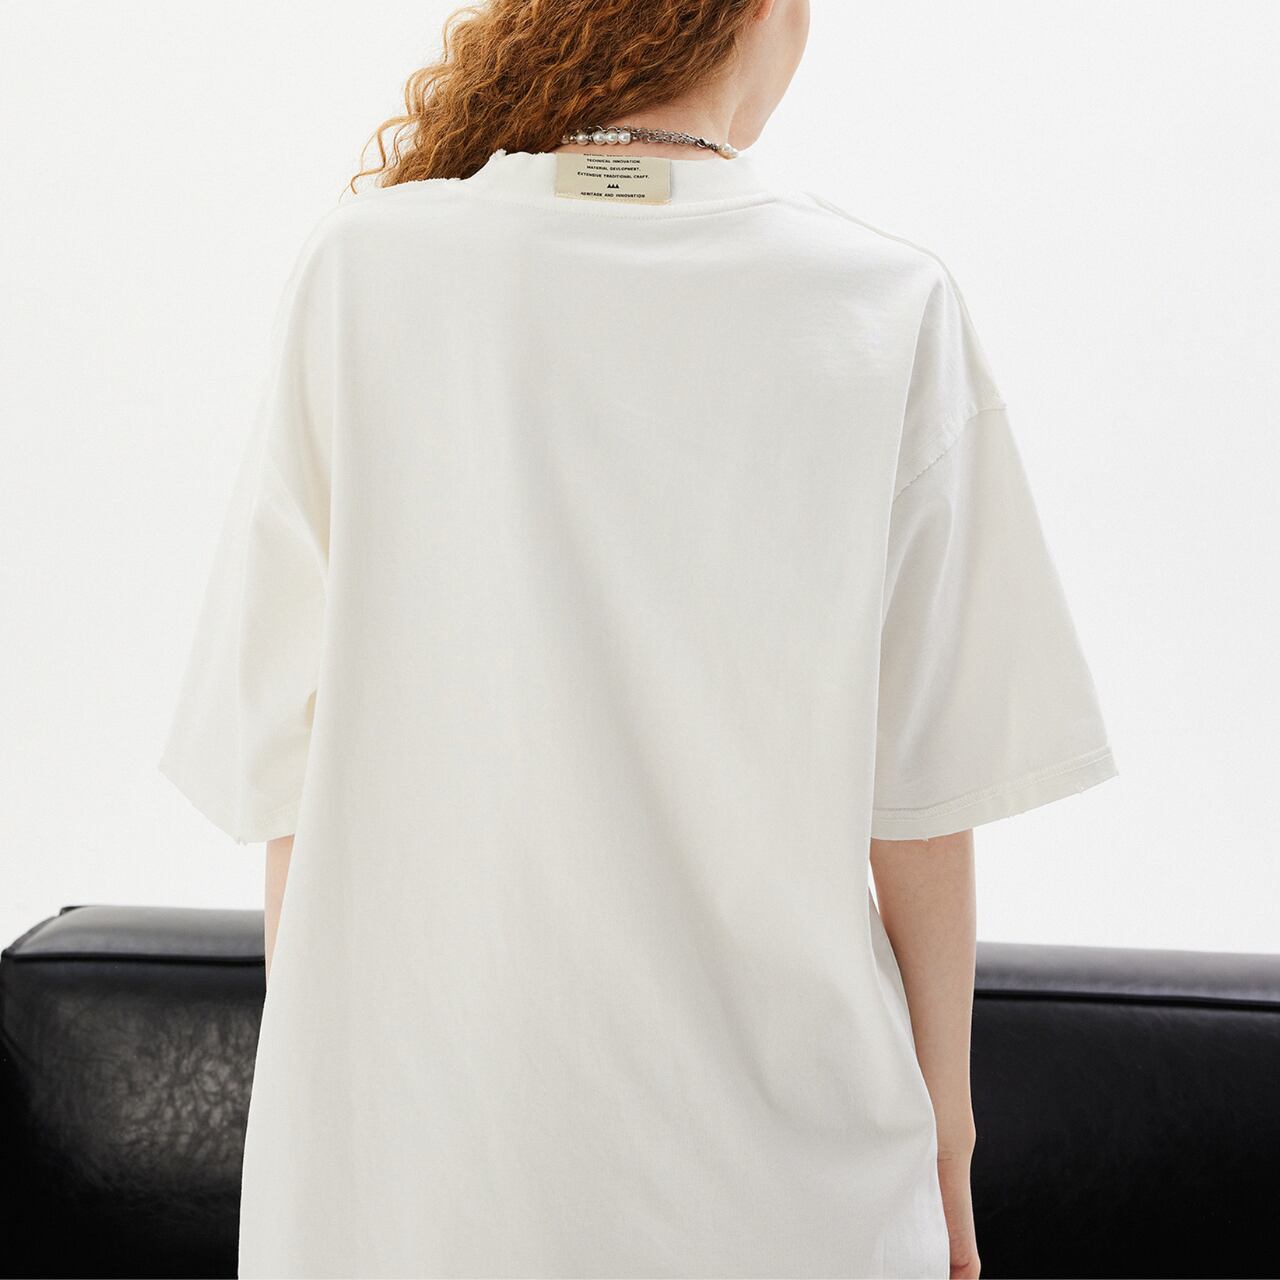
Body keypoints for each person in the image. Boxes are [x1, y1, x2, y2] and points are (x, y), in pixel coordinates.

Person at [157, 1, 1118, 1276]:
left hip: (418, 1183)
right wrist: (948, 1128)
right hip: (790, 1193)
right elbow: (923, 801)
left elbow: (286, 766)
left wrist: (333, 1131)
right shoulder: (882, 304)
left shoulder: (363, 273)